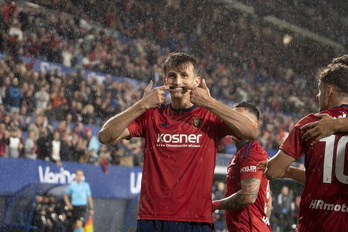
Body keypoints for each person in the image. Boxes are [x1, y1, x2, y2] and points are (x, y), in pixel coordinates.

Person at [98, 52, 258, 232]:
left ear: (196, 81)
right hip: (153, 218)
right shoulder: (151, 115)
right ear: (165, 80)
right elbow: (105, 136)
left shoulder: (210, 117)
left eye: (184, 75)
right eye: (172, 75)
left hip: (196, 220)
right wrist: (141, 104)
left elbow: (251, 132)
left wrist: (210, 102)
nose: (178, 81)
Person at [264, 62, 348, 231]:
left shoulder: (310, 123)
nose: (318, 96)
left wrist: (286, 170)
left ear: (329, 91)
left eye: (320, 90)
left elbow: (272, 171)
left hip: (313, 223)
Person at [211, 102, 271, 232]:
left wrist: (214, 205)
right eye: (232, 119)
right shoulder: (243, 152)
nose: (234, 124)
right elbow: (269, 201)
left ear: (255, 125)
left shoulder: (251, 153)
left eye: (240, 119)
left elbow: (248, 196)